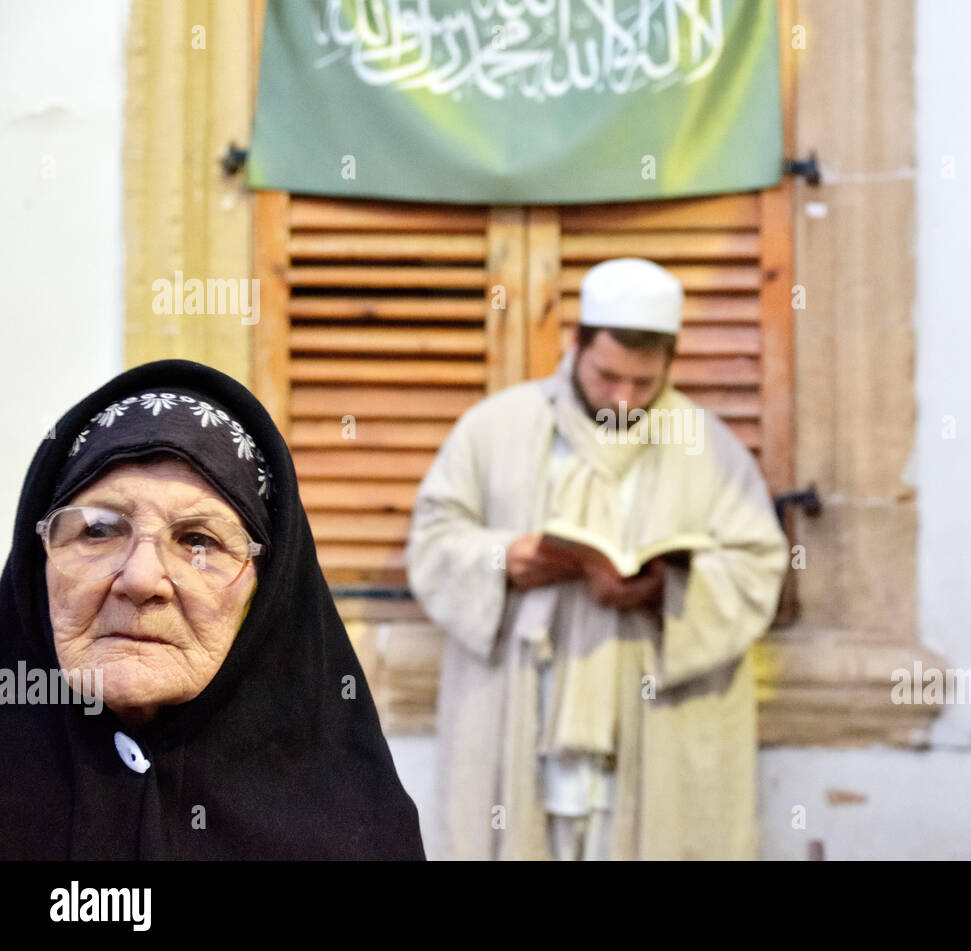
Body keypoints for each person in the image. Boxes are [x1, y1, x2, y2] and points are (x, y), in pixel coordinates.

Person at [407, 257, 788, 860]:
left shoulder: (709, 448)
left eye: (642, 382)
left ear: (670, 362)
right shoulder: (495, 428)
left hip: (650, 728)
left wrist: (666, 589)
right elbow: (432, 540)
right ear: (575, 343)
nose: (621, 397)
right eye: (607, 375)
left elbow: (758, 567)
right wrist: (505, 559)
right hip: (523, 711)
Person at [0, 359, 425, 859]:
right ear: (37, 564)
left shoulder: (351, 835)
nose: (141, 580)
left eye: (198, 540)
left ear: (266, 594)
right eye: (98, 530)